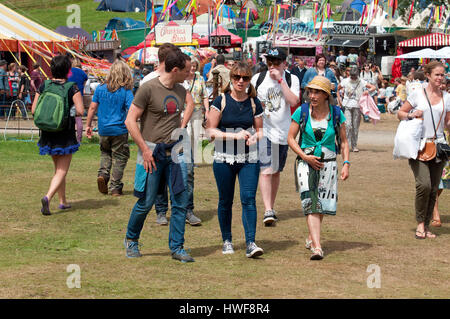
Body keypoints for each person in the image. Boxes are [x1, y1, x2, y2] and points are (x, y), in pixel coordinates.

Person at [123, 49, 196, 262]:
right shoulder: (147, 89)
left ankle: (177, 247)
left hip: (175, 153)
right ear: (175, 70)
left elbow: (189, 107)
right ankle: (131, 240)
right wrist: (145, 150)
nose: (190, 74)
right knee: (146, 202)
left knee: (180, 201)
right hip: (151, 153)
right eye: (187, 71)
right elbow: (130, 121)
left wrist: (182, 128)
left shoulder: (182, 90)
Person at [287, 76, 350, 260]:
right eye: (310, 92)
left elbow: (344, 142)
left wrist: (346, 163)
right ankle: (317, 247)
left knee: (320, 205)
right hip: (305, 164)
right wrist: (304, 156)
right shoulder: (302, 111)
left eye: (317, 92)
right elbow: (290, 138)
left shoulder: (337, 114)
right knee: (311, 202)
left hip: (329, 164)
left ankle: (311, 236)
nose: (312, 96)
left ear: (325, 95)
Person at [207, 61, 264, 257]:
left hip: (249, 158)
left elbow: (260, 130)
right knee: (226, 200)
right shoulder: (220, 101)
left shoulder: (254, 102)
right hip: (224, 158)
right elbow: (210, 131)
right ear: (231, 78)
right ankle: (227, 240)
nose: (241, 81)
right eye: (237, 77)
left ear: (249, 80)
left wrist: (256, 137)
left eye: (245, 78)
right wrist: (234, 136)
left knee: (249, 199)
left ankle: (251, 243)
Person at [397, 61, 450, 239]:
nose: (440, 78)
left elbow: (447, 122)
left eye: (443, 74)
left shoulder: (447, 97)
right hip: (419, 146)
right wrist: (412, 114)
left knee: (434, 188)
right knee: (424, 185)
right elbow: (400, 113)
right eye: (437, 74)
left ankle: (426, 226)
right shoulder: (417, 94)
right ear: (428, 75)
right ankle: (420, 223)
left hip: (439, 147)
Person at [251, 47, 300, 226]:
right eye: (269, 62)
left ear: (284, 63)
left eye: (276, 63)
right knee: (266, 170)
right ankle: (267, 210)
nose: (272, 66)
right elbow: (251, 100)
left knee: (276, 171)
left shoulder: (291, 78)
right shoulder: (258, 78)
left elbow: (294, 101)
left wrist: (280, 80)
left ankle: (271, 206)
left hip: (283, 131)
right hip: (264, 130)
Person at [31, 55, 84, 215]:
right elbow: (80, 111)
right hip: (64, 133)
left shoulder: (44, 85)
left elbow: (33, 110)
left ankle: (63, 201)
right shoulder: (71, 87)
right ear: (68, 70)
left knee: (58, 169)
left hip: (48, 132)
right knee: (62, 170)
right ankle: (48, 197)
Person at [85, 60, 134, 196]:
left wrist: (88, 125)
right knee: (120, 157)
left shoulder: (100, 88)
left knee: (105, 152)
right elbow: (132, 109)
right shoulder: (125, 91)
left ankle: (103, 175)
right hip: (119, 129)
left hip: (104, 129)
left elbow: (93, 107)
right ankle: (115, 187)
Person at [337, 67, 376, 152]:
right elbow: (338, 88)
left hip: (357, 106)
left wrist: (368, 91)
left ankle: (354, 145)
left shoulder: (361, 81)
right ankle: (345, 144)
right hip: (347, 105)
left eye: (355, 76)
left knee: (355, 126)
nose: (354, 78)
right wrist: (339, 99)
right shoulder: (345, 81)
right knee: (347, 125)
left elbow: (373, 87)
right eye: (352, 76)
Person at [68, 57, 88, 143]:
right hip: (79, 97)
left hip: (69, 96)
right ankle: (79, 139)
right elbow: (83, 85)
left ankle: (70, 138)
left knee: (69, 118)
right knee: (78, 118)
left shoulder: (69, 71)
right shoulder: (83, 74)